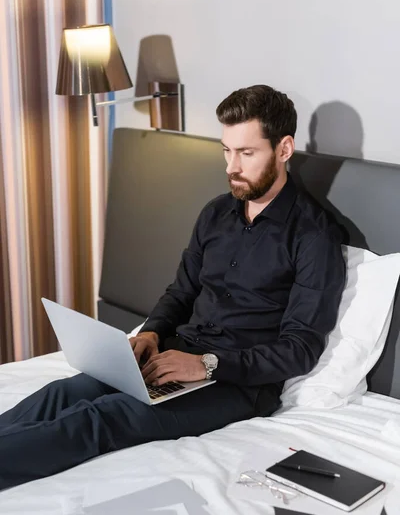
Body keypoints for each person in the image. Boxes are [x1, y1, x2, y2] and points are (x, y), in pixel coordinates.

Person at [0, 85, 345, 490]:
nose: (232, 166)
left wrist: (207, 365)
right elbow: (181, 292)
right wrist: (151, 331)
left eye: (246, 153)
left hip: (236, 384)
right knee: (65, 392)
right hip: (174, 355)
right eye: (226, 151)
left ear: (284, 149)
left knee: (101, 418)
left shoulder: (313, 235)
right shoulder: (216, 213)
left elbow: (301, 347)